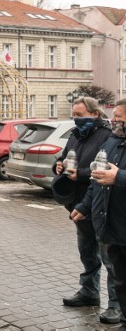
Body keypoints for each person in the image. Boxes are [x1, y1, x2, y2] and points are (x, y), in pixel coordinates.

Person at [52, 97, 120, 323]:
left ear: (95, 114)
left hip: (101, 206)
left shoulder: (108, 137)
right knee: (87, 254)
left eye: (80, 115)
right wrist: (59, 165)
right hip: (79, 204)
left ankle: (116, 304)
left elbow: (104, 171)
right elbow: (62, 158)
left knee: (110, 259)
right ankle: (89, 292)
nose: (76, 119)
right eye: (74, 115)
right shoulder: (74, 135)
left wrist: (80, 174)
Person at [72, 98, 126, 330]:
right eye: (114, 116)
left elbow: (114, 177)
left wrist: (120, 178)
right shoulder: (113, 142)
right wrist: (84, 207)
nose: (112, 120)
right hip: (113, 228)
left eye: (119, 117)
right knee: (122, 282)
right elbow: (97, 179)